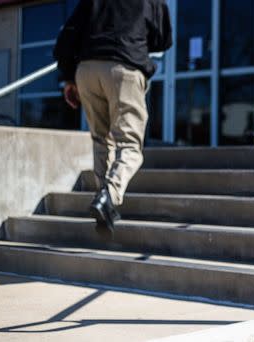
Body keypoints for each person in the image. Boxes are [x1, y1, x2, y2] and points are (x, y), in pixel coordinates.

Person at [53, 0, 172, 237]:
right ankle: (109, 196)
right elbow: (163, 40)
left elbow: (66, 37)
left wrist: (68, 78)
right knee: (129, 145)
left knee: (100, 139)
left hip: (87, 70)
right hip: (124, 68)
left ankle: (104, 202)